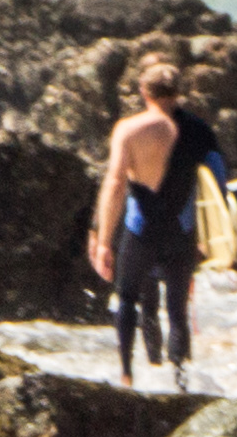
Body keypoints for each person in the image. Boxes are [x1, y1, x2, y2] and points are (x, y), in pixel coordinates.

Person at [88, 61, 226, 386]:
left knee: (130, 300)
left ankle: (128, 376)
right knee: (177, 309)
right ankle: (180, 383)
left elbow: (115, 184)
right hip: (182, 231)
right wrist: (212, 240)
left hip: (141, 231)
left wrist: (103, 238)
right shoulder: (199, 130)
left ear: (143, 91)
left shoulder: (130, 129)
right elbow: (218, 185)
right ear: (179, 92)